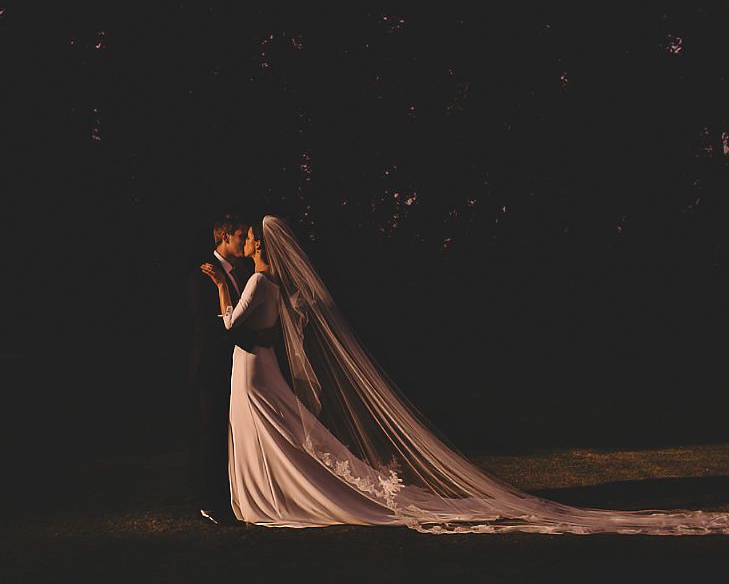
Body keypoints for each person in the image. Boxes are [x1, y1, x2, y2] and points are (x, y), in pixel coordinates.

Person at [200, 215, 729, 534]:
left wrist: (220, 290)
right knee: (286, 436)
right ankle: (264, 498)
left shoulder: (257, 284)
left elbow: (233, 328)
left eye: (247, 239)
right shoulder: (270, 286)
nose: (244, 242)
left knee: (277, 436)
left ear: (260, 247)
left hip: (252, 370)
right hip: (259, 365)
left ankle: (268, 500)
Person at [188, 213, 276, 525]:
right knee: (213, 434)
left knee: (234, 434)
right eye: (241, 236)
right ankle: (209, 502)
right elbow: (212, 327)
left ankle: (236, 494)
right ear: (226, 236)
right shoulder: (204, 274)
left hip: (238, 366)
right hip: (213, 366)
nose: (244, 242)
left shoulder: (238, 273)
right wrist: (257, 337)